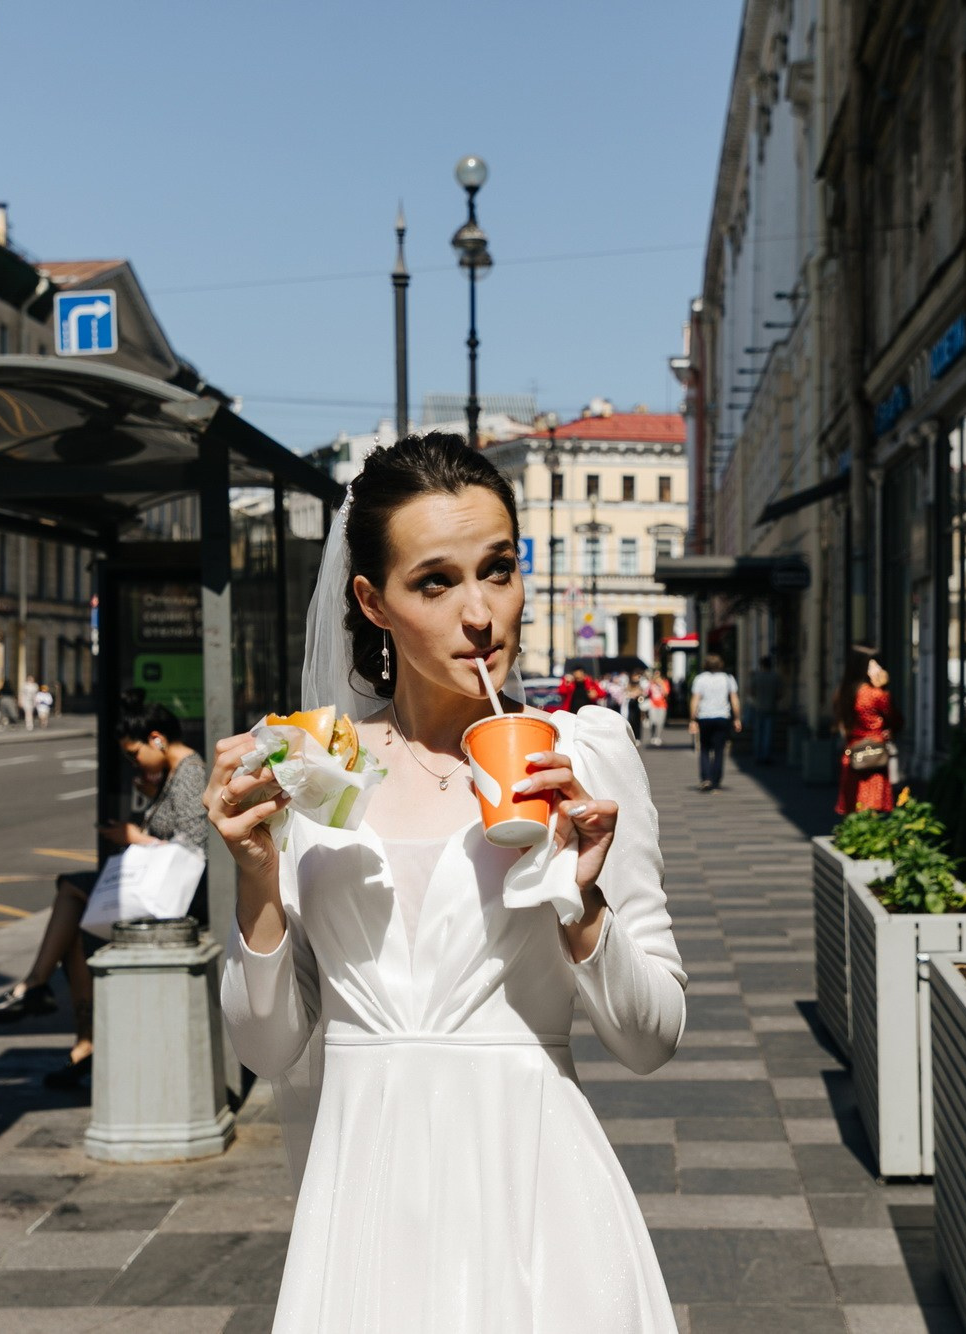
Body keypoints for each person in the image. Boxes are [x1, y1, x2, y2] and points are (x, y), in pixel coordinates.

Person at [212, 433, 684, 1331]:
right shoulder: (316, 772)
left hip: (542, 1212)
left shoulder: (582, 756)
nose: (482, 613)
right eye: (436, 582)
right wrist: (257, 880)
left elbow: (651, 1037)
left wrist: (583, 902)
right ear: (372, 602)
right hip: (364, 1217)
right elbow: (267, 1051)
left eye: (498, 570)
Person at [0, 695, 208, 1091]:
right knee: (77, 929)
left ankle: (38, 989)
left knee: (71, 888)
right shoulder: (172, 773)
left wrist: (136, 837)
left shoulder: (189, 772)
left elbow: (199, 844)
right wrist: (151, 799)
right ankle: (79, 1039)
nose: (133, 764)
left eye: (135, 754)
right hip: (167, 893)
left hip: (184, 901)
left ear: (156, 739)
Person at [834, 645, 897, 815]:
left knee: (853, 805)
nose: (878, 668)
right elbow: (894, 719)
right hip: (875, 755)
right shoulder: (875, 694)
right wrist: (884, 687)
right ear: (864, 668)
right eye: (873, 664)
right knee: (872, 805)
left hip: (853, 754)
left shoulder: (843, 693)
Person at [688, 652, 741, 792]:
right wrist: (737, 718)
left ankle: (706, 778)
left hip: (704, 717)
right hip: (722, 717)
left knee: (704, 749)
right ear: (721, 665)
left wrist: (693, 719)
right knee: (719, 750)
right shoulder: (728, 678)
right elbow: (734, 700)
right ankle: (716, 780)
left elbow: (695, 700)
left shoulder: (700, 679)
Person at [747, 654, 781, 763]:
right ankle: (766, 755)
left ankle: (758, 755)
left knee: (758, 733)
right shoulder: (775, 677)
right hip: (771, 707)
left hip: (758, 707)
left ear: (761, 665)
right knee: (768, 733)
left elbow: (751, 691)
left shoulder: (757, 677)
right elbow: (780, 693)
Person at [643, 670, 670, 748]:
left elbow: (666, 693)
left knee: (660, 722)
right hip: (653, 704)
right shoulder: (651, 683)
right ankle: (652, 736)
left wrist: (661, 684)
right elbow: (646, 692)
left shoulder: (664, 682)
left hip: (662, 705)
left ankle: (658, 737)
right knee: (652, 721)